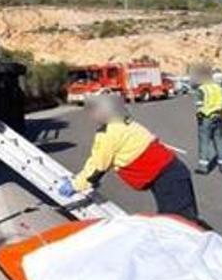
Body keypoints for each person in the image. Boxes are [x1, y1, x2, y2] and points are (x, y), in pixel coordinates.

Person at [59, 93, 199, 220]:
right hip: (171, 174)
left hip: (167, 179)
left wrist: (75, 185)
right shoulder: (122, 121)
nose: (91, 115)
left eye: (92, 110)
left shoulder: (109, 134)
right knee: (183, 220)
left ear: (102, 111)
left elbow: (97, 167)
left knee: (180, 224)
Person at [192, 65, 222, 174]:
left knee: (204, 142)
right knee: (219, 140)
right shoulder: (219, 88)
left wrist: (199, 116)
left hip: (206, 118)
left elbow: (199, 106)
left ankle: (203, 167)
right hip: (220, 117)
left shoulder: (202, 89)